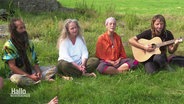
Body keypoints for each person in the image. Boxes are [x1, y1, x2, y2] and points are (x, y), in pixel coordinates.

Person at [1, 18, 57, 86]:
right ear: (14, 31)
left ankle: (37, 79)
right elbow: (12, 67)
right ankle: (39, 80)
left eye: (24, 27)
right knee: (17, 79)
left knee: (54, 68)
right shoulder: (8, 46)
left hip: (30, 70)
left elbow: (34, 62)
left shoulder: (29, 43)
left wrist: (38, 71)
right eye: (21, 28)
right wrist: (30, 76)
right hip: (17, 74)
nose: (24, 30)